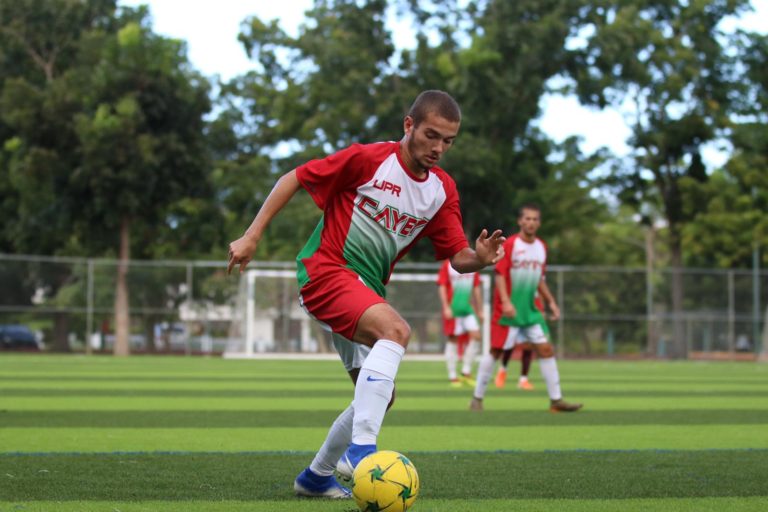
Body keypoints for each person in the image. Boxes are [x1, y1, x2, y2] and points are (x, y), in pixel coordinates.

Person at [227, 90, 505, 499]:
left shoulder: (441, 190)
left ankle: (316, 477)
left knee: (381, 395)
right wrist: (252, 235)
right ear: (408, 125)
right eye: (431, 135)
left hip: (363, 290)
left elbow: (458, 258)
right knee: (396, 330)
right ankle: (362, 452)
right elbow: (294, 177)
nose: (438, 148)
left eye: (448, 141)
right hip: (325, 272)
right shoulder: (369, 160)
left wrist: (479, 258)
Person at [470, 204, 582, 413]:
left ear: (539, 223)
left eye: (535, 219)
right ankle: (477, 398)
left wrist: (551, 302)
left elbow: (540, 279)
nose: (531, 222)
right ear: (520, 221)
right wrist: (506, 302)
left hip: (531, 310)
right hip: (509, 310)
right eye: (527, 218)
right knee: (496, 351)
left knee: (546, 349)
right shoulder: (511, 244)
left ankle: (556, 401)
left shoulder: (541, 247)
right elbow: (500, 273)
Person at [437, 259, 482, 387]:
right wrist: (446, 307)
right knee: (453, 340)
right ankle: (452, 376)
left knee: (476, 336)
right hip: (453, 308)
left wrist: (480, 310)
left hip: (468, 309)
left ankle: (466, 371)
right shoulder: (447, 265)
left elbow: (476, 288)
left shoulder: (473, 263)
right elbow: (442, 286)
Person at [494, 293, 548, 390]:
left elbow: (539, 293)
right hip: (515, 313)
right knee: (509, 345)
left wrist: (542, 310)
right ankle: (502, 370)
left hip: (529, 315)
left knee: (528, 347)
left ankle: (523, 380)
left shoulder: (536, 283)